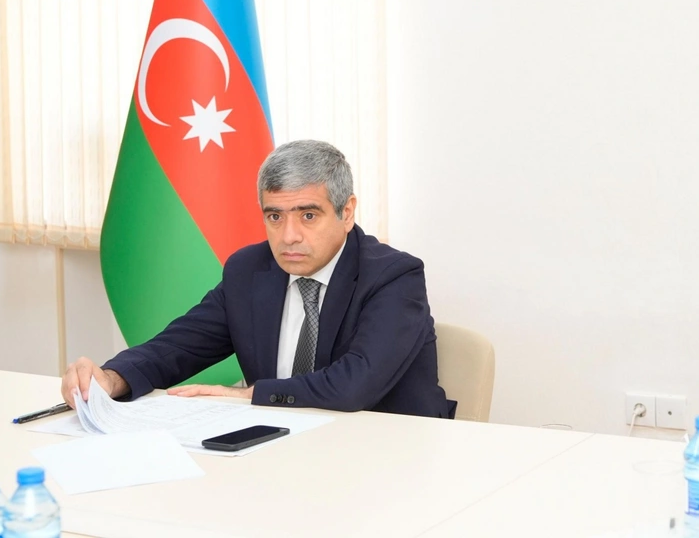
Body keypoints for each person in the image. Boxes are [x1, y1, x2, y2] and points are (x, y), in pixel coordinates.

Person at [62, 139, 452, 418]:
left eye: (309, 216)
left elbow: (355, 385)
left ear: (346, 212)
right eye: (275, 216)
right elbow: (179, 345)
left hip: (388, 456)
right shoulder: (250, 270)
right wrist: (112, 378)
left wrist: (250, 396)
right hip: (279, 452)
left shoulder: (393, 277)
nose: (289, 236)